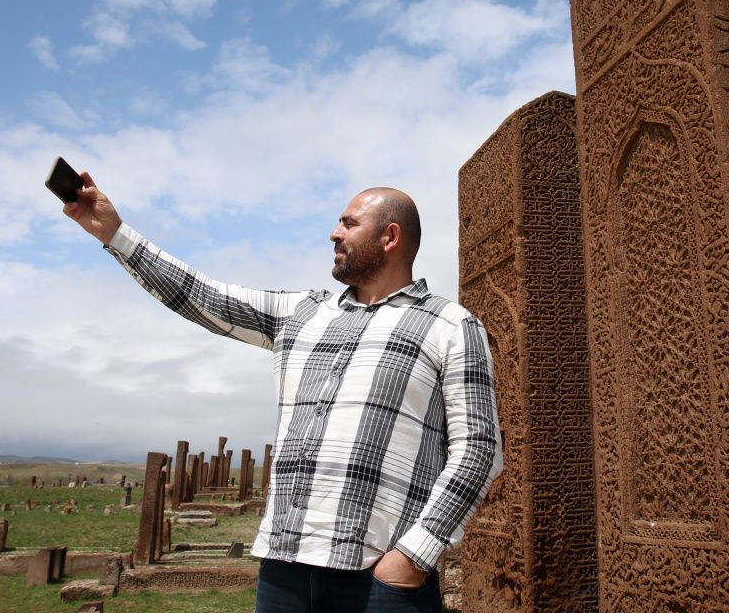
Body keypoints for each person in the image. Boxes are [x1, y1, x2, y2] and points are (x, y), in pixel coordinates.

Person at [63, 171, 502, 613]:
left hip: (379, 582)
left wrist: (412, 556)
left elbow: (479, 449)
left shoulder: (452, 327)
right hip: (283, 570)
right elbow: (202, 295)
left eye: (349, 224)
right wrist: (114, 234)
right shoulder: (301, 312)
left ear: (390, 237)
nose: (334, 233)